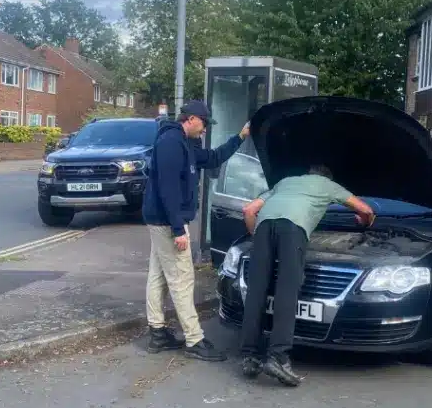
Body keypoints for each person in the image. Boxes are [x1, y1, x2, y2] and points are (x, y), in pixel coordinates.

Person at [238, 164, 376, 386]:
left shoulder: (285, 182)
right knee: (287, 290)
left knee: (257, 290)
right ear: (326, 177)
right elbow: (366, 210)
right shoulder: (328, 185)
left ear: (308, 174)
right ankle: (278, 357)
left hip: (264, 227)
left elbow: (249, 210)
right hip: (293, 230)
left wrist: (258, 236)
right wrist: (365, 222)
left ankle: (249, 356)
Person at [142, 100, 250, 361]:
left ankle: (157, 331)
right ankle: (194, 339)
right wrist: (178, 228)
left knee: (159, 275)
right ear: (190, 119)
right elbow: (167, 188)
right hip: (168, 222)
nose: (204, 130)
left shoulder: (186, 144)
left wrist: (240, 137)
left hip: (165, 220)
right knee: (182, 277)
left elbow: (213, 158)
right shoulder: (170, 143)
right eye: (203, 124)